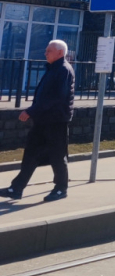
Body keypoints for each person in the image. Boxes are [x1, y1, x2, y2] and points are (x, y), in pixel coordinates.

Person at [2, 40, 74, 202]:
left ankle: (61, 188)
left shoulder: (63, 70)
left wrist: (31, 111)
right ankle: (16, 188)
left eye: (49, 51)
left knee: (57, 155)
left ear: (60, 53)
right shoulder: (53, 68)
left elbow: (56, 97)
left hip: (56, 121)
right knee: (31, 154)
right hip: (43, 120)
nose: (45, 53)